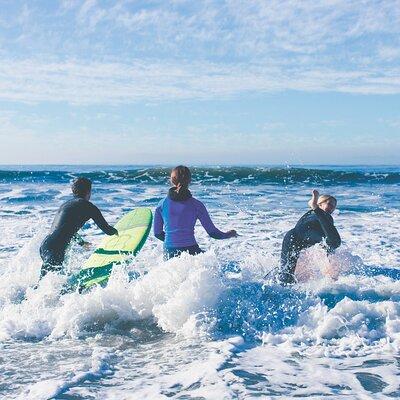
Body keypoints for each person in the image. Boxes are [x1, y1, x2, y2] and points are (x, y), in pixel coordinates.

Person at [39, 177, 118, 278]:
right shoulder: (89, 207)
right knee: (49, 287)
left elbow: (65, 230)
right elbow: (107, 230)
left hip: (45, 246)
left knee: (47, 283)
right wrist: (119, 231)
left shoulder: (65, 205)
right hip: (56, 250)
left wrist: (82, 243)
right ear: (88, 192)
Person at [154, 165, 237, 259]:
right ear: (189, 181)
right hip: (191, 250)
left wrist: (173, 242)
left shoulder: (161, 204)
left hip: (169, 251)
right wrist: (229, 234)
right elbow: (213, 233)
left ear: (172, 180)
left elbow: (157, 233)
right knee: (216, 261)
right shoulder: (197, 205)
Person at [278, 189, 341, 284]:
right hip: (293, 237)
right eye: (329, 204)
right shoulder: (325, 216)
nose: (332, 208)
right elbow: (331, 241)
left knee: (286, 276)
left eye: (334, 206)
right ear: (320, 204)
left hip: (293, 238)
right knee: (285, 276)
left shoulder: (315, 216)